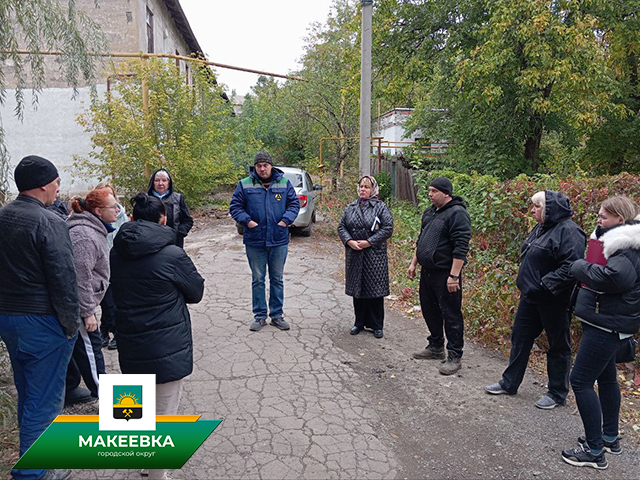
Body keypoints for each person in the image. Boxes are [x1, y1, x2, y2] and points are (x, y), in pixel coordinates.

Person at [110, 193, 204, 480]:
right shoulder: (172, 254)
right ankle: (157, 473)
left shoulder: (117, 251)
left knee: (135, 405)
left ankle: (141, 459)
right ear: (163, 218)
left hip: (129, 337)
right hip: (166, 343)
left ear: (134, 218)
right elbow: (196, 292)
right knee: (164, 411)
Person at [0, 155, 79, 480]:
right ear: (45, 185)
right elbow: (64, 278)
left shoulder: (4, 216)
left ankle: (36, 460)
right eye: (57, 183)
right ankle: (33, 474)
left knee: (29, 393)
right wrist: (71, 325)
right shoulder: (49, 223)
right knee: (43, 402)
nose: (59, 189)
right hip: (42, 321)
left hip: (9, 319)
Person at [485, 191, 586, 409]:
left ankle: (557, 393)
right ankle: (509, 383)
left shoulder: (570, 231)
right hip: (531, 297)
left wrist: (544, 285)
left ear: (550, 208)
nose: (532, 211)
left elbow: (572, 267)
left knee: (558, 345)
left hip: (554, 300)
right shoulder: (541, 227)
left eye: (536, 206)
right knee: (520, 339)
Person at [561, 195, 640, 470]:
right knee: (606, 379)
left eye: (604, 216)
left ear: (620, 218)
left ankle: (594, 450)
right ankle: (609, 437)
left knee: (580, 381)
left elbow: (616, 278)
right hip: (608, 321)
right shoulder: (617, 241)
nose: (598, 219)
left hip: (606, 324)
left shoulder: (625, 247)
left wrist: (579, 266)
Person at [229, 150, 300, 332]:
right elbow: (235, 207)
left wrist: (285, 221)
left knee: (277, 279)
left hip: (278, 240)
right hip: (255, 240)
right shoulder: (244, 184)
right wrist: (248, 221)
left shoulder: (283, 183)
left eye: (265, 165)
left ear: (271, 166)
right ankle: (260, 316)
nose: (262, 169)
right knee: (258, 279)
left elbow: (294, 204)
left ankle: (277, 315)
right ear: (256, 167)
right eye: (259, 166)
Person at [408, 177, 472, 375]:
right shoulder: (430, 212)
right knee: (429, 310)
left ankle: (454, 355)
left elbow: (461, 248)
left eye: (434, 191)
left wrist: (454, 276)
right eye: (429, 190)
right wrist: (413, 263)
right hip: (427, 271)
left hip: (446, 273)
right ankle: (436, 346)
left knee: (451, 313)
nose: (430, 194)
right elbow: (421, 240)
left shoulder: (457, 214)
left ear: (446, 193)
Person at [65, 188, 120, 403]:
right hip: (79, 305)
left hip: (84, 301)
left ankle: (71, 388)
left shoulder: (93, 227)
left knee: (79, 347)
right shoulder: (84, 236)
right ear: (98, 211)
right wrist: (87, 312)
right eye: (112, 206)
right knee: (91, 347)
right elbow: (80, 277)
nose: (117, 210)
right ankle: (106, 398)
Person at [337, 176, 394, 338]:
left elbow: (388, 228)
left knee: (375, 291)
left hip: (374, 255)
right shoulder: (351, 207)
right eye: (361, 186)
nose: (363, 189)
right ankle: (359, 322)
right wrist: (349, 241)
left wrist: (369, 242)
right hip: (355, 254)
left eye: (366, 187)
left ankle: (377, 325)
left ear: (373, 189)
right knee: (358, 291)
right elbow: (341, 226)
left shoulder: (380, 207)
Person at [95, 182, 129, 351]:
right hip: (101, 263)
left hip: (117, 261)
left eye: (109, 194)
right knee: (106, 302)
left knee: (114, 302)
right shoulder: (94, 216)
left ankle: (115, 331)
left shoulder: (121, 214)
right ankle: (105, 329)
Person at [147, 168, 193, 248]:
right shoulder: (146, 199)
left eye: (164, 180)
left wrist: (179, 233)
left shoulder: (178, 198)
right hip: (151, 242)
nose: (160, 183)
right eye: (157, 180)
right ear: (153, 182)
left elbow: (187, 221)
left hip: (174, 243)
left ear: (169, 182)